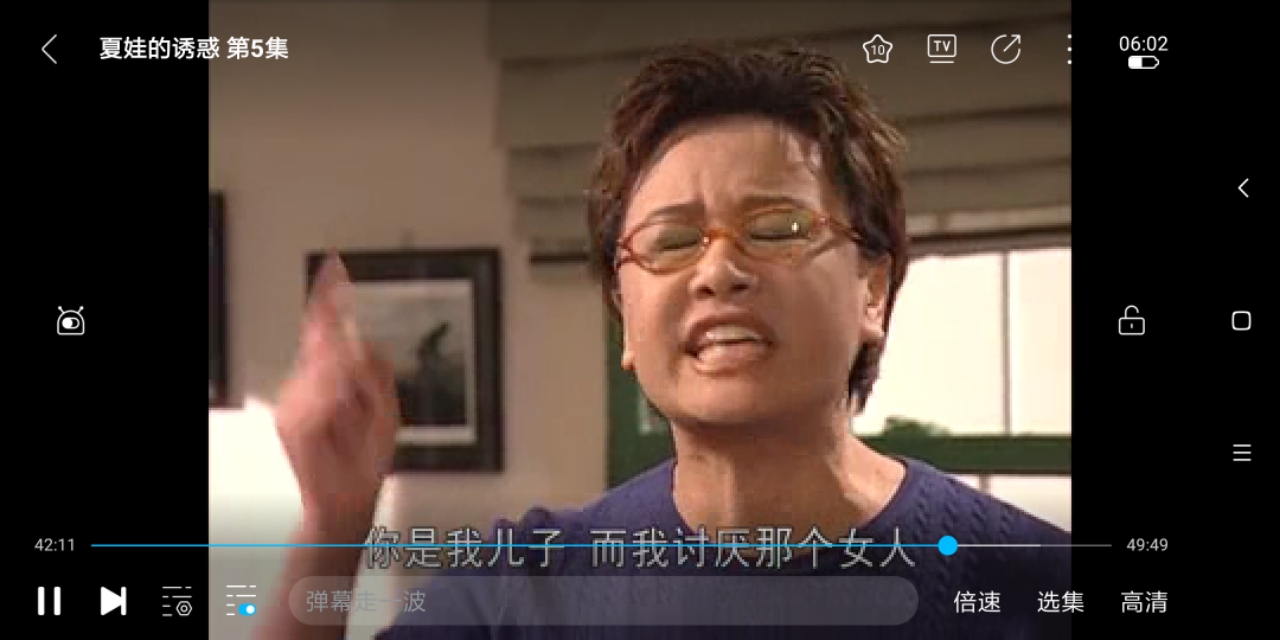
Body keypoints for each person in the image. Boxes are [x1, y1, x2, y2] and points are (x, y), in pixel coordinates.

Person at [259, 43, 1069, 640]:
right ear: (624, 318)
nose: (718, 270)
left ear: (873, 290)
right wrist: (334, 518)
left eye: (777, 228)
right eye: (672, 241)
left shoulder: (1033, 583)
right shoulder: (524, 589)